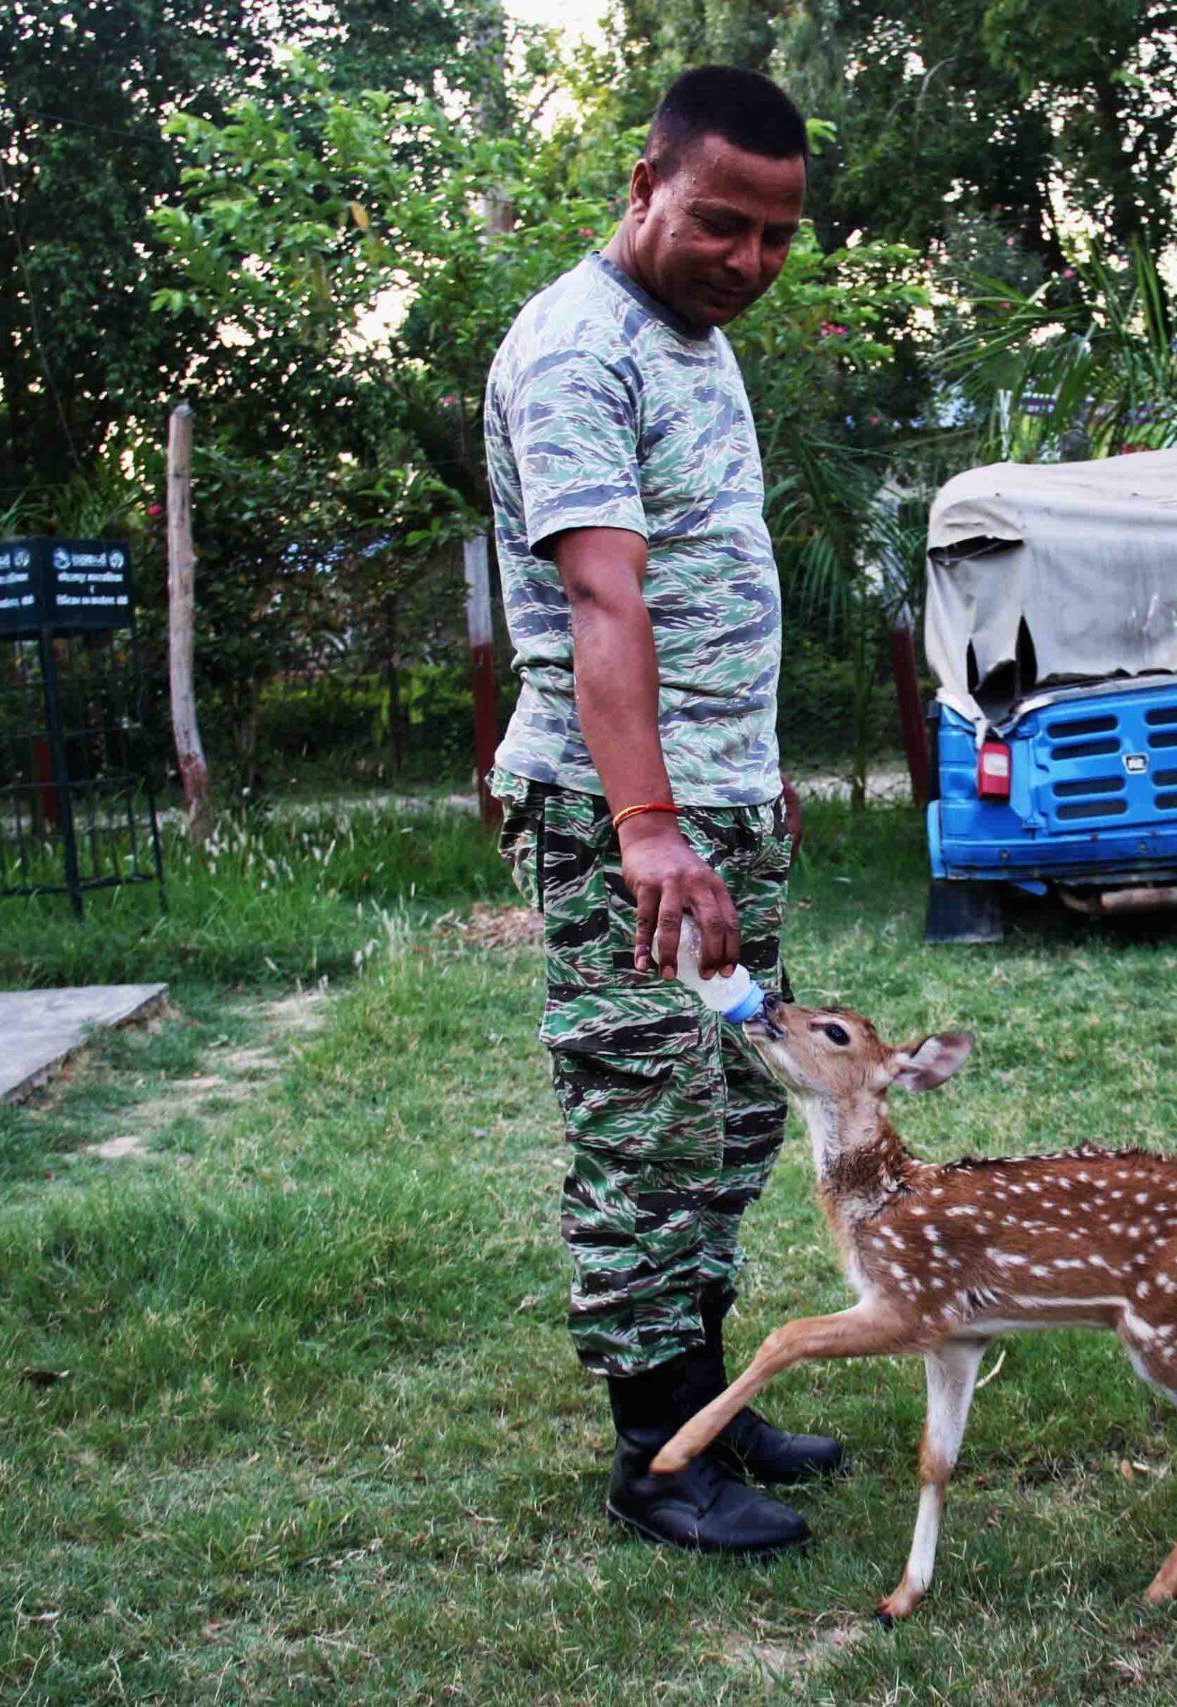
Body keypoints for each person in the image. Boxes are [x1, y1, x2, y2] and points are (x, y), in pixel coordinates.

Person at [483, 65, 836, 1557]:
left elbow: (704, 569)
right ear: (645, 186)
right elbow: (602, 600)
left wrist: (749, 774)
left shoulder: (692, 338)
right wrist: (646, 824)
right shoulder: (576, 351)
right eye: (719, 225)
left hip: (715, 803)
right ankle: (657, 1457)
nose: (748, 263)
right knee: (645, 1123)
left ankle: (706, 1392)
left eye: (775, 237)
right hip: (617, 820)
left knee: (734, 1108)